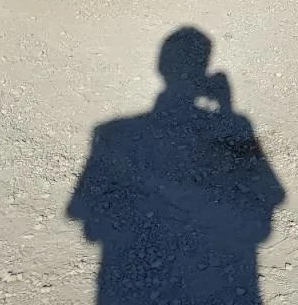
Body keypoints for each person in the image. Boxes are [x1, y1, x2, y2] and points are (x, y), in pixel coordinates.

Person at [67, 27, 285, 304]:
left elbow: (84, 216)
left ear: (160, 67)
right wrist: (226, 113)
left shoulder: (112, 133)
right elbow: (269, 201)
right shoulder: (112, 134)